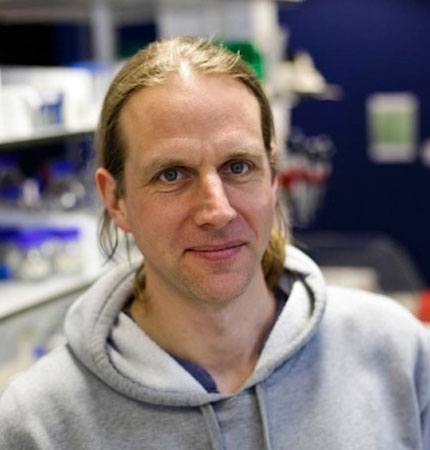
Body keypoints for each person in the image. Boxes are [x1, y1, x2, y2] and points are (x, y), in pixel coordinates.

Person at [0, 36, 429, 449]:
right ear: (116, 199)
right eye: (172, 174)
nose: (217, 210)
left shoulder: (395, 352)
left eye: (238, 166)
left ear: (274, 177)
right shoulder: (38, 423)